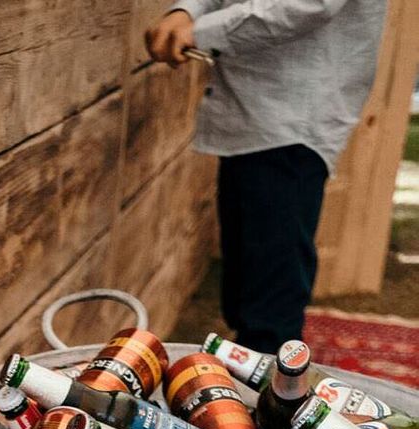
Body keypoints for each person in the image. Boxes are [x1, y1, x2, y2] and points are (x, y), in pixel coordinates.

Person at [146, 1, 386, 353]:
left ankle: (268, 396)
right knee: (244, 291)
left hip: (292, 122)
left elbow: (311, 4)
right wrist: (187, 10)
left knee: (270, 313)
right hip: (247, 114)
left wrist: (199, 30)